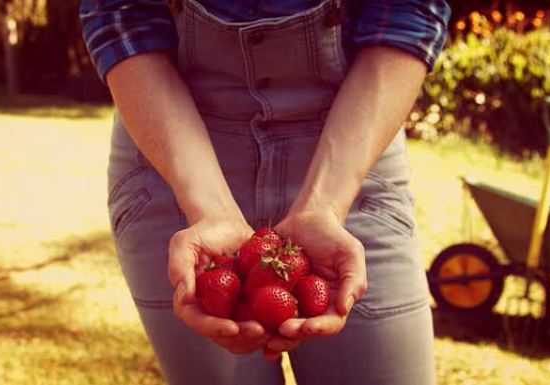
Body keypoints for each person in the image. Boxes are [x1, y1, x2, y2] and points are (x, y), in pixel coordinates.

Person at [80, 1, 450, 384]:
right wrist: (208, 211)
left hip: (355, 143)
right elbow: (122, 15)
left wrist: (324, 206)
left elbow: (409, 12)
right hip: (173, 149)